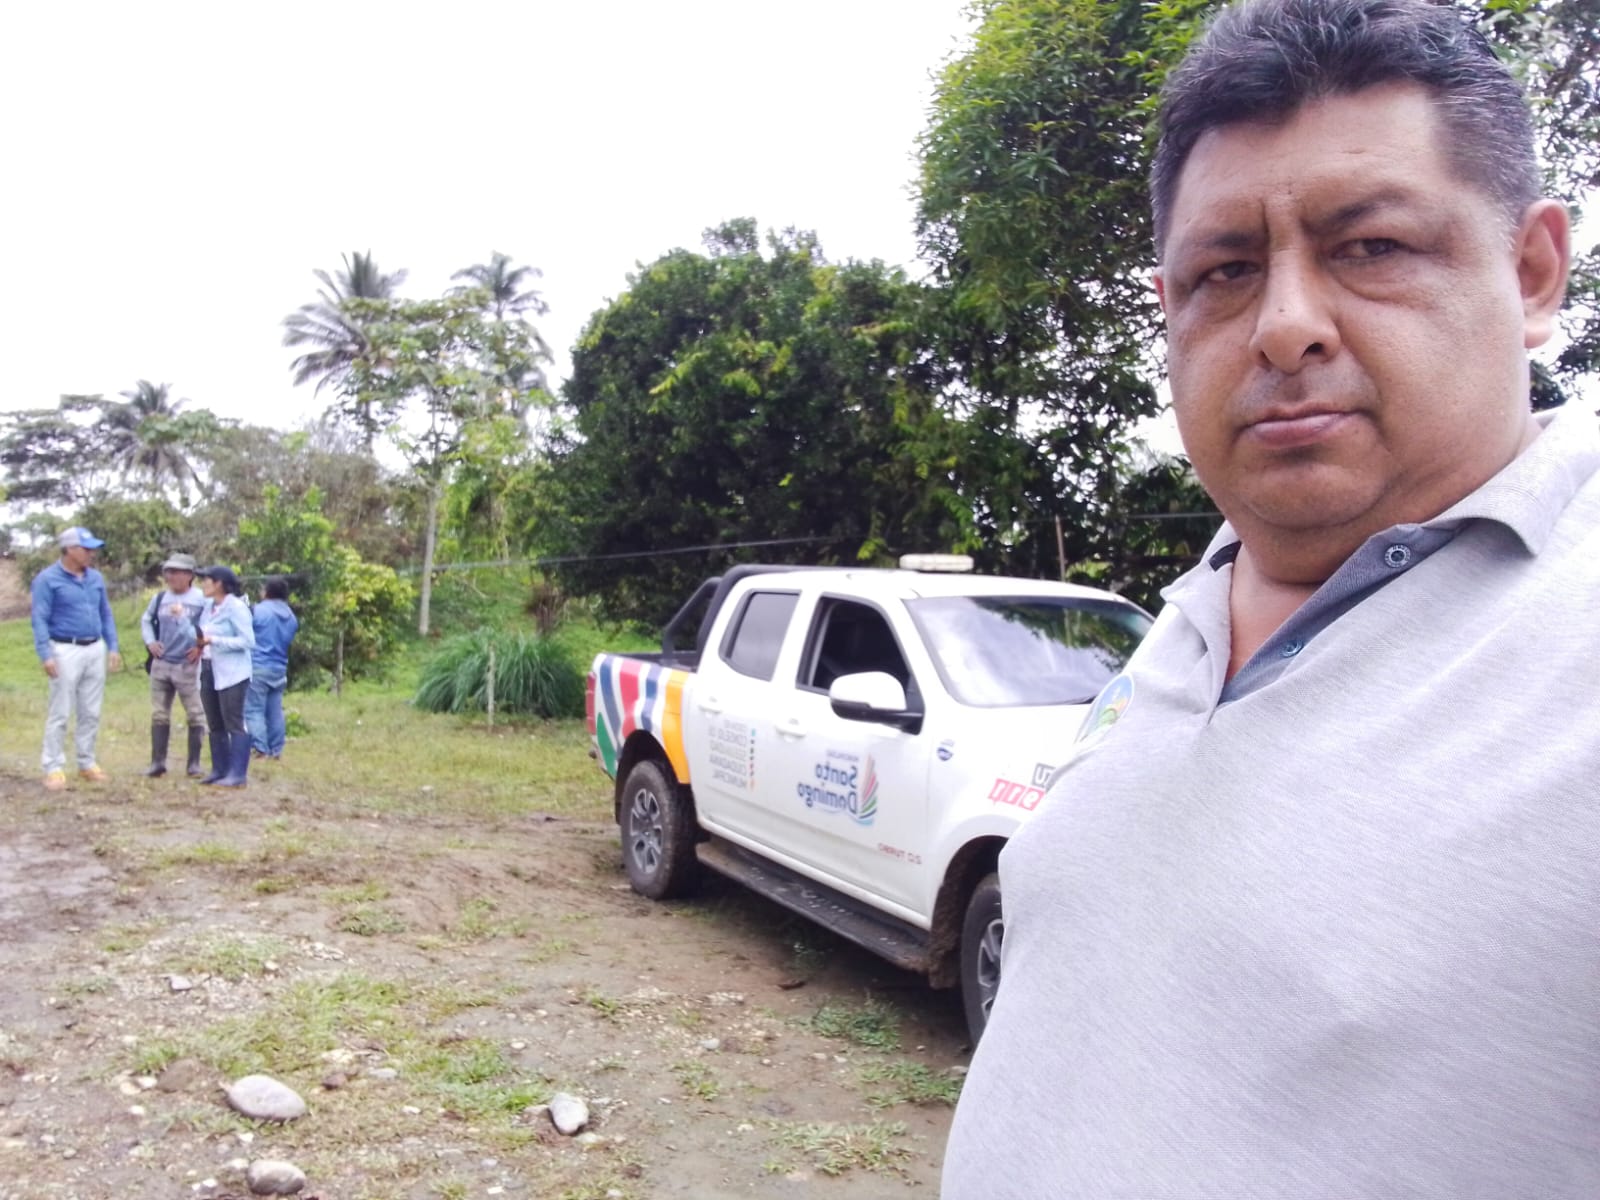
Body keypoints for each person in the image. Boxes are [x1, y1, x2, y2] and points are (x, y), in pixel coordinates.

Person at [943, 1, 1596, 1197]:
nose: (1283, 326)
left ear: (1532, 273)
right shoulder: (1193, 611)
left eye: (1371, 246)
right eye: (1226, 272)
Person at [31, 526, 123, 791]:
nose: (91, 554)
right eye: (86, 549)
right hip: (64, 648)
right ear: (70, 549)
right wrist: (45, 654)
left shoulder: (95, 578)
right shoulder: (48, 580)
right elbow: (39, 618)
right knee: (60, 710)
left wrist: (113, 646)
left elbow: (105, 612)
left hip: (94, 646)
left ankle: (86, 762)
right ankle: (53, 766)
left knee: (91, 710)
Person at [138, 552, 208, 777]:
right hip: (162, 663)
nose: (171, 576)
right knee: (159, 713)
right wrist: (150, 642)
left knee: (195, 713)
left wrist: (200, 646)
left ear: (189, 575)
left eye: (176, 572)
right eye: (168, 571)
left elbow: (208, 626)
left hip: (188, 664)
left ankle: (194, 764)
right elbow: (146, 620)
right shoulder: (160, 598)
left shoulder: (201, 599)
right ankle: (157, 762)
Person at [194, 565, 255, 788]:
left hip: (233, 672)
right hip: (208, 667)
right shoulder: (208, 607)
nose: (203, 584)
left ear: (219, 583)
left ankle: (238, 773)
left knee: (234, 721)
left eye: (206, 580)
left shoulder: (236, 607)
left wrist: (215, 641)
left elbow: (248, 641)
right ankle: (219, 769)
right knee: (214, 721)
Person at [244, 576, 299, 759]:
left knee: (254, 709)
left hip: (258, 665)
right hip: (280, 667)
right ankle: (276, 749)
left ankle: (259, 748)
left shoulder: (258, 610)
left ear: (266, 591)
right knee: (275, 711)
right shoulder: (291, 616)